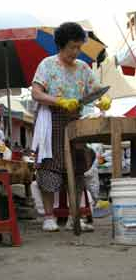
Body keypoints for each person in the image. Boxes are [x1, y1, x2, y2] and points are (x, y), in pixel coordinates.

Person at [32, 22, 111, 232]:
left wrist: (103, 100)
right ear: (61, 45)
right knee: (49, 167)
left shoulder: (83, 68)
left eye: (78, 47)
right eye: (71, 48)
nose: (75, 52)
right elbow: (36, 93)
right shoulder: (47, 65)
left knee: (76, 169)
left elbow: (96, 91)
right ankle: (49, 217)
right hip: (51, 121)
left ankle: (73, 217)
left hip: (76, 123)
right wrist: (59, 101)